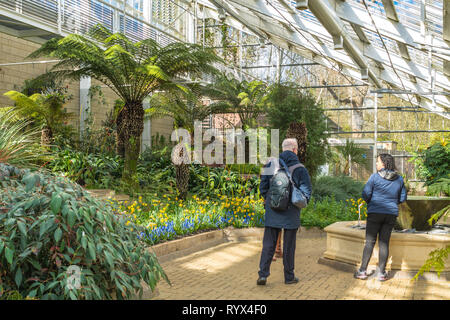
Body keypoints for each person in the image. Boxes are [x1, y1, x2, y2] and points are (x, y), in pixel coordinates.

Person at [257, 138, 312, 285]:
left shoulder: (271, 164)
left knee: (268, 244)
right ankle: (289, 277)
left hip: (273, 210)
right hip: (291, 213)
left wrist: (271, 201)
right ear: (295, 149)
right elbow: (307, 192)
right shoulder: (300, 168)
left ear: (282, 149)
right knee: (289, 246)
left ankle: (263, 275)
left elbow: (262, 188)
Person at [354, 153, 407, 281]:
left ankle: (362, 271)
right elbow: (403, 198)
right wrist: (392, 203)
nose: (376, 164)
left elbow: (366, 194)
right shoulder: (399, 179)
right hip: (390, 215)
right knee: (384, 243)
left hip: (375, 213)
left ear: (384, 163)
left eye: (377, 162)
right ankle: (382, 273)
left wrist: (372, 203)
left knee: (369, 242)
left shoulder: (374, 177)